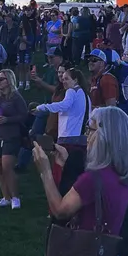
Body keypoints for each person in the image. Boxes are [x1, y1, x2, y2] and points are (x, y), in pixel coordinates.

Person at [33, 105, 128, 234]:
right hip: (107, 249)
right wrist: (66, 165)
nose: (86, 135)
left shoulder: (93, 178)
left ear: (104, 136)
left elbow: (60, 211)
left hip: (83, 249)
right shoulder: (122, 174)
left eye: (90, 130)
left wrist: (46, 172)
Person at [35, 68, 91, 197]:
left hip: (67, 139)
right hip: (82, 140)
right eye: (62, 78)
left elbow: (63, 105)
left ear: (75, 80)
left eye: (67, 79)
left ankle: (60, 203)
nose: (63, 81)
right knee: (77, 174)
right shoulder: (86, 95)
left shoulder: (72, 91)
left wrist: (43, 107)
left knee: (61, 174)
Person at [0, 68, 27, 209]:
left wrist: (7, 119)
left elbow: (24, 115)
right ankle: (6, 197)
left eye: (2, 79)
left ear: (9, 81)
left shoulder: (16, 97)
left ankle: (15, 197)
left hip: (11, 136)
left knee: (7, 166)